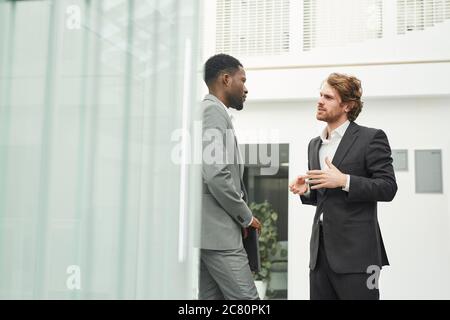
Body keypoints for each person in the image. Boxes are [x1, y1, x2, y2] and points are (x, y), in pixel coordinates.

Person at [289, 73, 397, 300]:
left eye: (328, 97)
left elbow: (388, 187)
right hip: (319, 256)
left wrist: (345, 181)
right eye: (320, 95)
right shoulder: (314, 144)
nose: (319, 101)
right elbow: (325, 197)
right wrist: (307, 190)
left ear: (347, 105)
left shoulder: (371, 138)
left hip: (358, 257)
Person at [199, 54, 262, 300]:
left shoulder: (212, 112)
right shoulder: (212, 111)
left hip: (209, 234)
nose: (245, 89)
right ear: (226, 79)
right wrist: (245, 216)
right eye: (242, 80)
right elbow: (216, 174)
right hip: (219, 236)